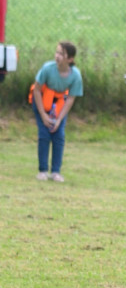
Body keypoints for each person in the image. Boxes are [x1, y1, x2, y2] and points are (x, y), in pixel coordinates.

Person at [32, 41, 83, 182]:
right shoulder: (48, 68)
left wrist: (59, 119)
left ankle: (55, 172)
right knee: (44, 135)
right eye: (57, 52)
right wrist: (43, 115)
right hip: (42, 102)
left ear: (70, 59)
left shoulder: (76, 75)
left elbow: (70, 98)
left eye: (62, 54)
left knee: (58, 135)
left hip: (58, 106)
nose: (57, 56)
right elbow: (36, 90)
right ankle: (42, 171)